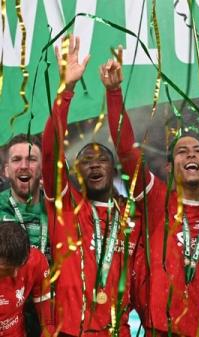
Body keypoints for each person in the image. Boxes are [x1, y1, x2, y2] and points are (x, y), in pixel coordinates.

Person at [102, 53, 199, 336]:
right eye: (182, 151)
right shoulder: (156, 199)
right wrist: (114, 92)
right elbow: (127, 150)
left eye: (198, 151)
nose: (191, 154)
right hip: (159, 331)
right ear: (169, 166)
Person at [42, 36, 141, 337]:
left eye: (102, 160)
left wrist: (114, 94)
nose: (95, 164)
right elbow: (50, 152)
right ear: (76, 171)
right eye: (87, 160)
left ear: (114, 169)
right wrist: (66, 90)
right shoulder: (65, 206)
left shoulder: (132, 217)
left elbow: (128, 147)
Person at [0, 135, 50, 337]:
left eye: (31, 159)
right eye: (16, 159)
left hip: (50, 307)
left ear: (42, 168)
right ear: (5, 171)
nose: (23, 166)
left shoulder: (62, 209)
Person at [0, 221, 53, 337]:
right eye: (7, 269)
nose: (15, 274)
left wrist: (47, 330)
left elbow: (47, 319)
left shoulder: (35, 261)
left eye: (20, 267)